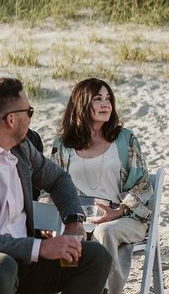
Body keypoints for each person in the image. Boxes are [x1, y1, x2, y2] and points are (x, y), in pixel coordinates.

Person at [0, 77, 111, 294]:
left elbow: (58, 179)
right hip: (6, 265)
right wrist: (40, 247)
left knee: (95, 257)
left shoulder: (21, 148)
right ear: (11, 120)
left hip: (29, 264)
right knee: (4, 267)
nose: (31, 118)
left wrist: (73, 219)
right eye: (29, 112)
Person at [50, 78, 152, 294]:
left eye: (108, 99)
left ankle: (102, 290)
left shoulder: (125, 139)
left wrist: (119, 210)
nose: (106, 104)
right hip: (78, 217)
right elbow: (51, 185)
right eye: (98, 99)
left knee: (104, 231)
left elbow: (143, 183)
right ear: (82, 103)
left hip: (124, 217)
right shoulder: (63, 144)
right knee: (67, 235)